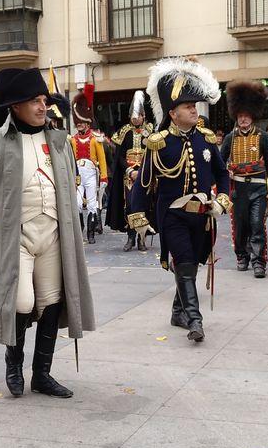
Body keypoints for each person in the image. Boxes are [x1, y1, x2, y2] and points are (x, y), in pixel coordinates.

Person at [0, 68, 95, 398]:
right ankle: (14, 362)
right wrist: (3, 223)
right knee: (21, 302)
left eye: (44, 100)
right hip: (18, 238)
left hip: (53, 234)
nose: (42, 107)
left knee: (51, 302)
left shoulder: (59, 141)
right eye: (34, 101)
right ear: (15, 106)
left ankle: (42, 373)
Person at [127, 57, 231, 343]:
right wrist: (137, 215)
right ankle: (195, 321)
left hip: (202, 214)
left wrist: (221, 200)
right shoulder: (159, 142)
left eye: (195, 106)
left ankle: (177, 311)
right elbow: (144, 182)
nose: (194, 111)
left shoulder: (207, 139)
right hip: (172, 214)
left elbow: (223, 175)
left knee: (193, 263)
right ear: (173, 113)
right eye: (188, 107)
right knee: (184, 262)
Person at [221, 80, 268, 278]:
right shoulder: (229, 138)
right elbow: (220, 162)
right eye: (240, 116)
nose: (243, 119)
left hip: (259, 188)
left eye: (246, 115)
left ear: (252, 116)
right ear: (236, 116)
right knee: (241, 226)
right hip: (238, 190)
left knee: (257, 224)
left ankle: (259, 261)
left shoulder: (263, 137)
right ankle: (242, 256)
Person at [106, 92, 153, 252]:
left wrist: (142, 171)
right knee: (130, 206)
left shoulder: (150, 131)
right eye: (132, 116)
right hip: (128, 176)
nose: (135, 119)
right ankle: (131, 237)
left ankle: (142, 239)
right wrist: (129, 170)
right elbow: (118, 156)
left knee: (144, 206)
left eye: (137, 116)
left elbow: (152, 154)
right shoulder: (124, 132)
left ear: (143, 115)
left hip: (145, 175)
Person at [69, 94, 108, 244]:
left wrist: (103, 177)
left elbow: (102, 159)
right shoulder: (72, 140)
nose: (78, 124)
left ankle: (91, 234)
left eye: (81, 122)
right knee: (77, 203)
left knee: (92, 203)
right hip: (77, 175)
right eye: (77, 122)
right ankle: (80, 229)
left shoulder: (95, 139)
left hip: (92, 174)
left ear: (87, 123)